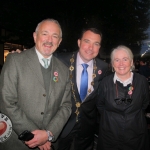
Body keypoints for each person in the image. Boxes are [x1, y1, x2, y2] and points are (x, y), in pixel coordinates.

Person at [0, 19, 72, 150]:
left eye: (55, 36)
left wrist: (49, 134)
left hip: (50, 144)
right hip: (18, 143)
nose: (49, 40)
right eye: (45, 34)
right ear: (35, 36)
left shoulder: (64, 70)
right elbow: (6, 102)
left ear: (59, 41)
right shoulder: (15, 61)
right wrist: (35, 135)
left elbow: (66, 106)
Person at [55, 28, 108, 150]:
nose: (91, 48)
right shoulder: (60, 60)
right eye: (87, 41)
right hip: (61, 126)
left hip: (87, 128)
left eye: (96, 44)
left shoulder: (103, 67)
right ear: (79, 42)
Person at [96, 45, 150, 150]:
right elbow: (100, 105)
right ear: (112, 64)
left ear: (131, 62)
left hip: (136, 135)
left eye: (125, 59)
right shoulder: (105, 82)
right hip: (110, 136)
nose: (121, 64)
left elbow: (144, 104)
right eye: (117, 60)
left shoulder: (142, 81)